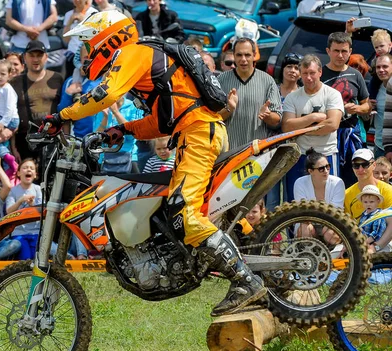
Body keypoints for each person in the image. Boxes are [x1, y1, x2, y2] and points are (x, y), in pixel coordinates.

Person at [43, 10, 266, 316]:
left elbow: (107, 94)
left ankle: (246, 282)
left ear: (105, 37)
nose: (86, 51)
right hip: (195, 131)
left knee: (185, 215)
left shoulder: (133, 52)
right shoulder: (147, 59)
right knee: (175, 210)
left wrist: (62, 115)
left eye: (88, 43)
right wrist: (122, 130)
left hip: (198, 133)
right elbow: (163, 121)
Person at [281, 55, 344, 201]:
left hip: (326, 153)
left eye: (312, 73)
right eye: (305, 73)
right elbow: (286, 126)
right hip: (300, 155)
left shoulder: (332, 94)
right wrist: (313, 118)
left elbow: (332, 124)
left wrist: (300, 127)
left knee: (329, 201)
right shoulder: (292, 97)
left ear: (320, 72)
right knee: (298, 202)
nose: (308, 78)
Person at [322, 32, 370, 186]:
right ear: (328, 51)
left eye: (344, 51)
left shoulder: (355, 75)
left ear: (350, 51)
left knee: (352, 179)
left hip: (351, 135)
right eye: (336, 51)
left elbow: (367, 105)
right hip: (326, 136)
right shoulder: (319, 75)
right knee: (330, 180)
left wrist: (357, 108)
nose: (340, 55)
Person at [218, 38, 282, 149]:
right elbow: (212, 118)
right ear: (233, 55)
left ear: (254, 55)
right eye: (239, 55)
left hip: (257, 152)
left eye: (247, 55)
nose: (243, 59)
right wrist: (229, 108)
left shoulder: (267, 81)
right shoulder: (221, 80)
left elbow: (277, 120)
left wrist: (267, 116)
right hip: (228, 153)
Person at [11, 40, 63, 163]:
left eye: (39, 55)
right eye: (32, 55)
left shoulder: (57, 78)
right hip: (25, 139)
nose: (35, 59)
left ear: (46, 57)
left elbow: (65, 108)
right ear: (25, 57)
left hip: (52, 137)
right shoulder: (14, 82)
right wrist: (13, 147)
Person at [0, 59, 20, 177]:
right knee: (1, 143)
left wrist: (3, 123)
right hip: (2, 118)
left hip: (9, 119)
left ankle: (9, 160)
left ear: (9, 75)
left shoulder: (7, 89)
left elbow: (10, 109)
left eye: (3, 74)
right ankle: (10, 168)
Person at [6, 159, 43, 260]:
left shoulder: (38, 189)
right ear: (18, 173)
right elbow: (8, 211)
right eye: (25, 168)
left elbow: (42, 211)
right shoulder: (13, 191)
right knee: (26, 258)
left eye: (32, 168)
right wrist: (20, 201)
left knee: (36, 259)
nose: (28, 170)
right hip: (19, 233)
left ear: (35, 174)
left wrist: (32, 205)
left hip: (36, 232)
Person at [344, 148, 392, 220]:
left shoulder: (388, 190)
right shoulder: (347, 194)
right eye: (356, 165)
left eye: (365, 165)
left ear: (374, 165)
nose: (360, 169)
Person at [63, 0, 97, 81]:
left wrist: (83, 21)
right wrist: (70, 21)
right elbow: (66, 39)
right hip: (71, 54)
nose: (77, 1)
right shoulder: (68, 14)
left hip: (86, 56)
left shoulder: (94, 13)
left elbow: (95, 36)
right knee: (70, 80)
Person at [356, 185, 388, 253]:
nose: (368, 204)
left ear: (378, 201)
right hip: (362, 241)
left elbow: (376, 234)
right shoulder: (364, 214)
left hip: (374, 244)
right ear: (362, 202)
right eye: (365, 202)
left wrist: (363, 243)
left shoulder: (379, 216)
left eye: (371, 202)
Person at [374, 54, 392, 159]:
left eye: (385, 66)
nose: (381, 70)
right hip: (379, 145)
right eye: (378, 67)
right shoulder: (375, 88)